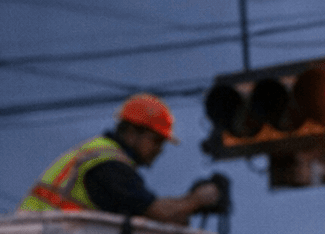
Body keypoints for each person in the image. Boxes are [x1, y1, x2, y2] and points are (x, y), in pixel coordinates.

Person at [18, 93, 222, 225]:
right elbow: (157, 211)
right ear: (132, 132)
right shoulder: (110, 164)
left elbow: (151, 213)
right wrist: (198, 199)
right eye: (156, 140)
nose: (159, 150)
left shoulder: (98, 152)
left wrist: (186, 207)